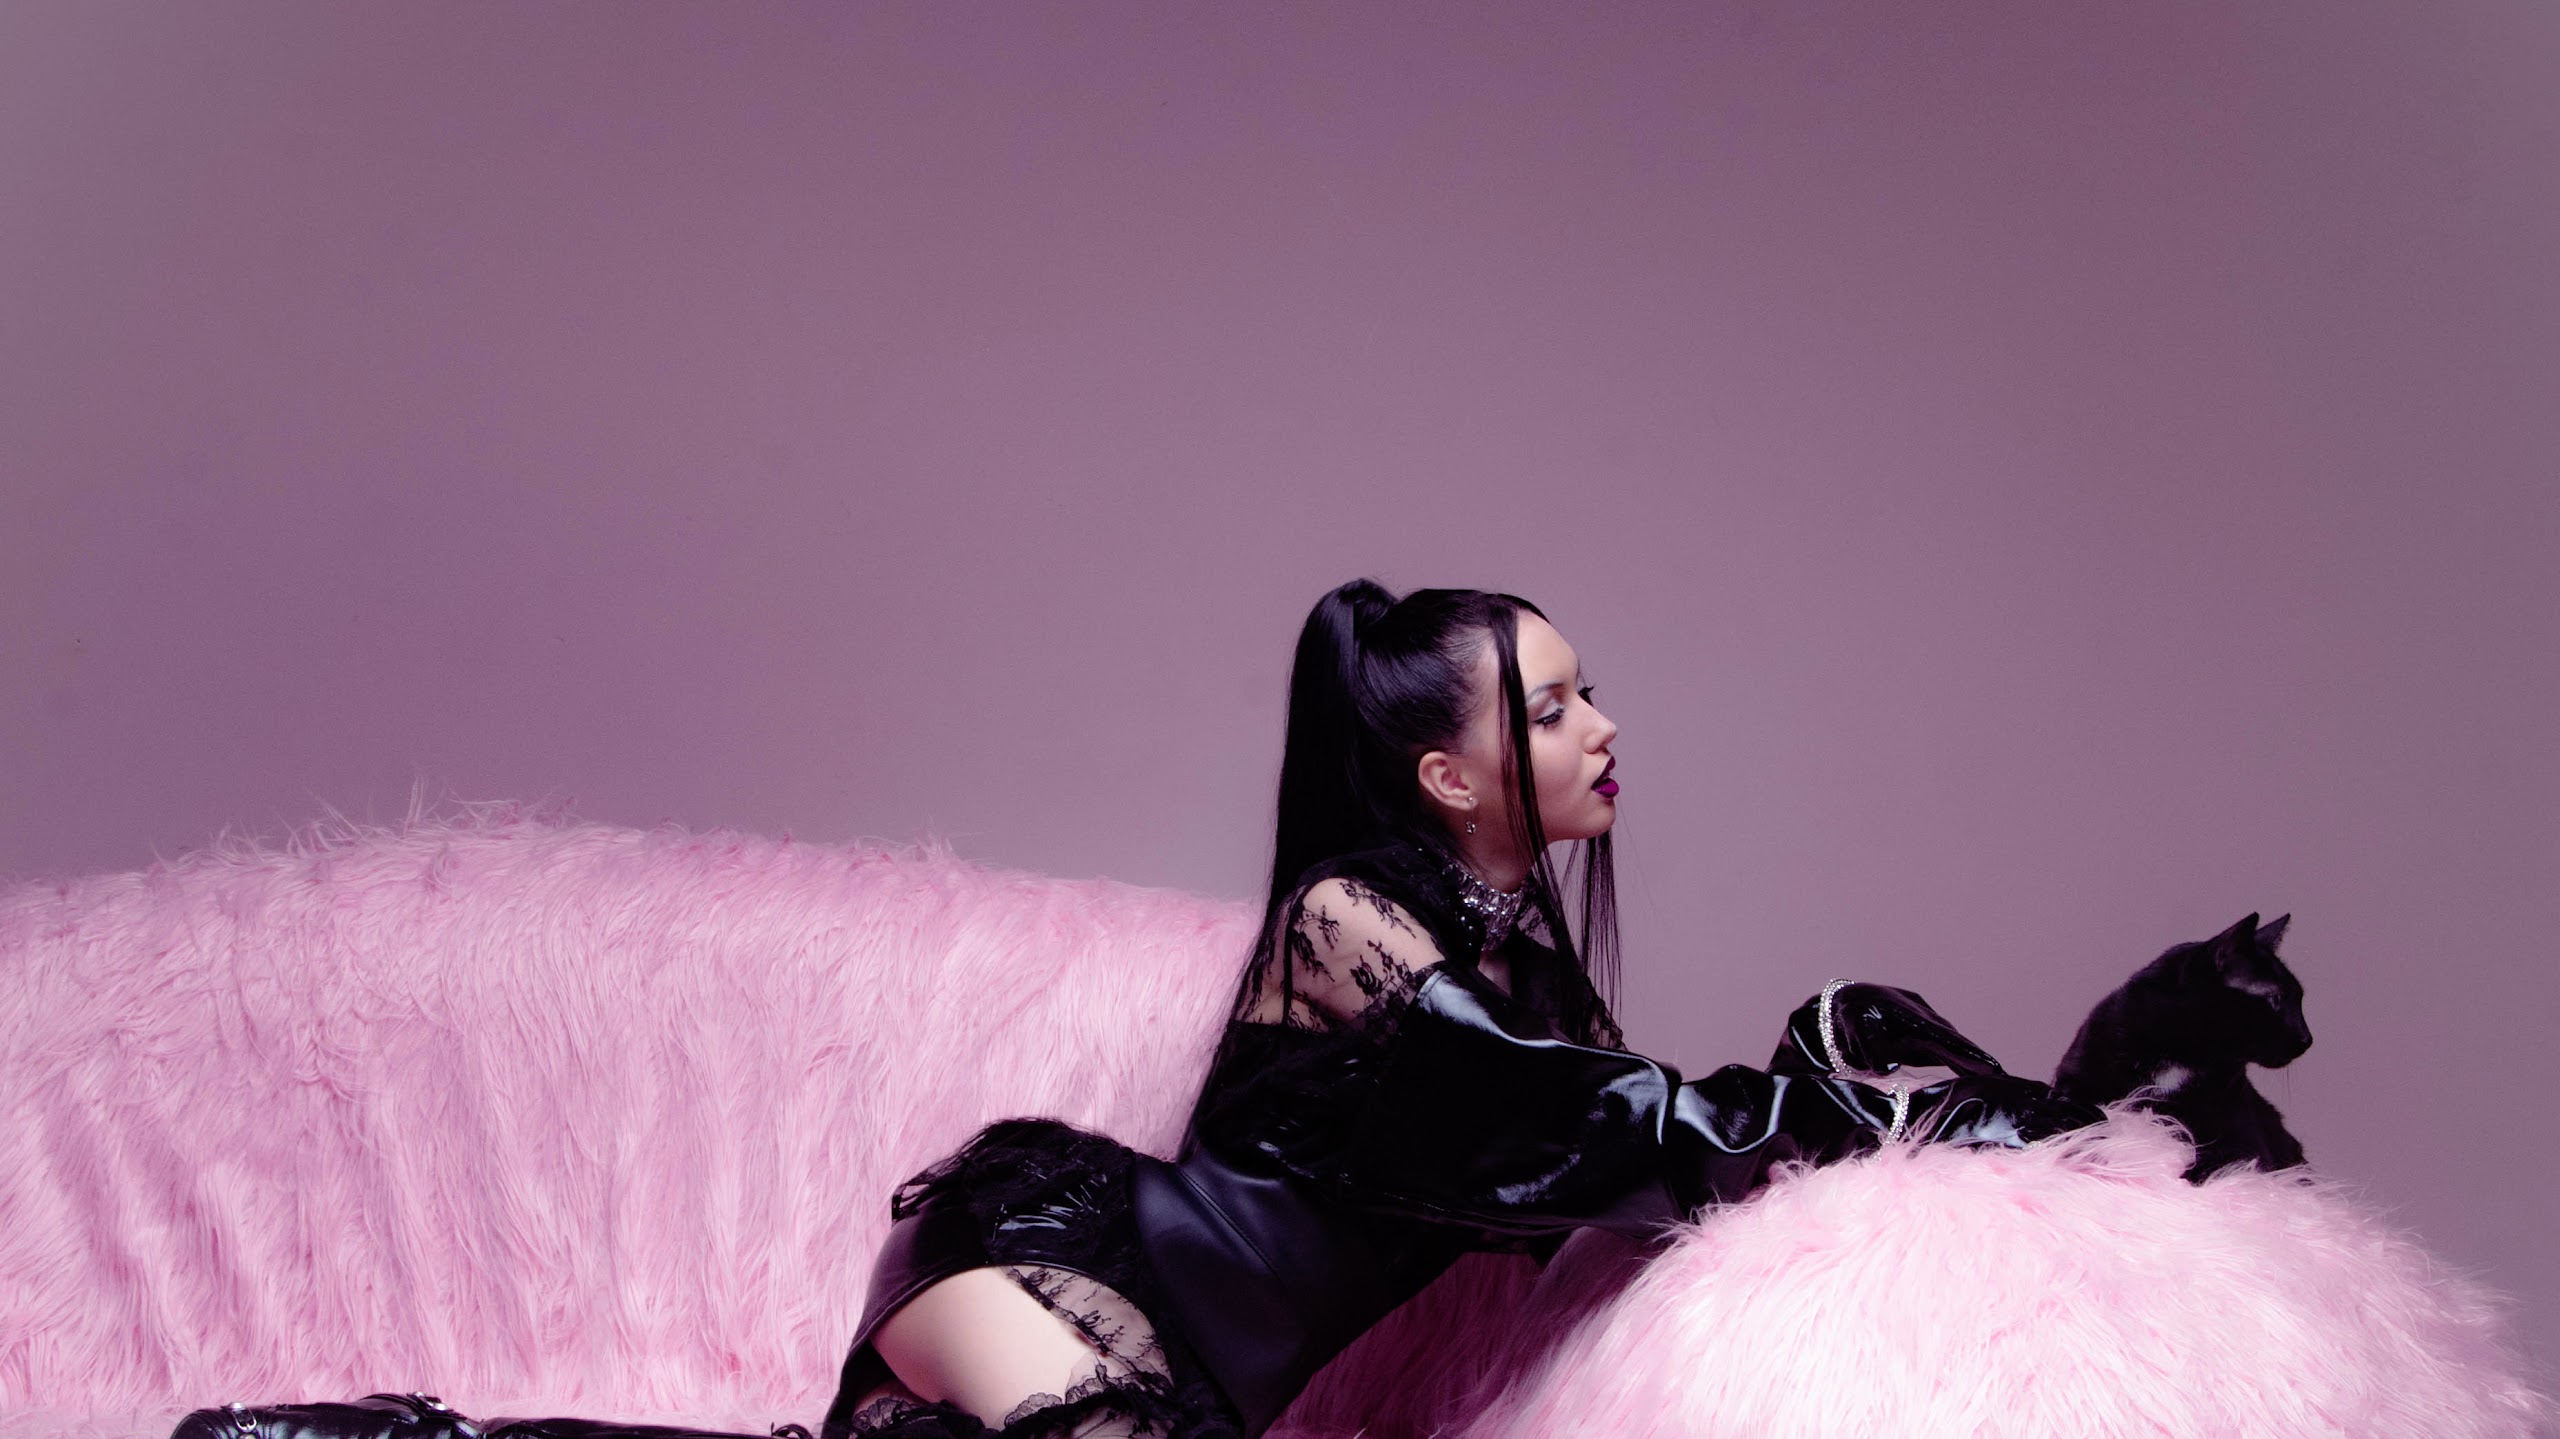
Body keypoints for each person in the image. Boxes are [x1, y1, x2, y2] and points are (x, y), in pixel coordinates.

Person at [822, 581, 2095, 1439]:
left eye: (1586, 693)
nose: (1603, 728)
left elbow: (1651, 1152)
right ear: (1449, 777)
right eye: (1551, 710)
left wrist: (1852, 1069)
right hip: (1055, 1273)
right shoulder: (1346, 922)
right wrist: (1879, 1107)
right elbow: (1618, 1122)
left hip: (1200, 1383)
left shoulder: (1535, 989)